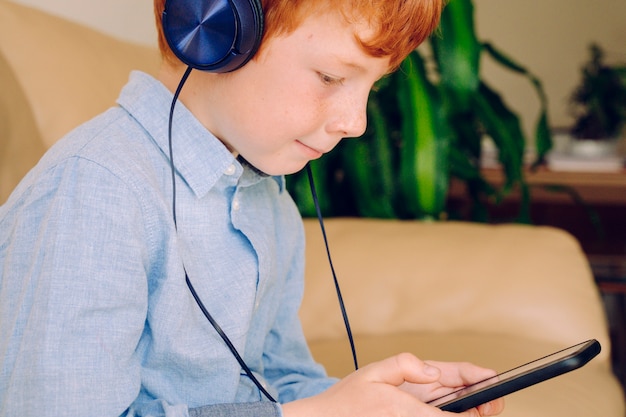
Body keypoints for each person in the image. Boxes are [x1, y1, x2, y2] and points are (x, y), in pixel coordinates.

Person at [0, 0, 505, 416]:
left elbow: (272, 386)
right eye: (331, 77)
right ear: (214, 30)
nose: (356, 124)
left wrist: (375, 403)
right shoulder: (95, 190)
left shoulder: (266, 197)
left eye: (371, 86)